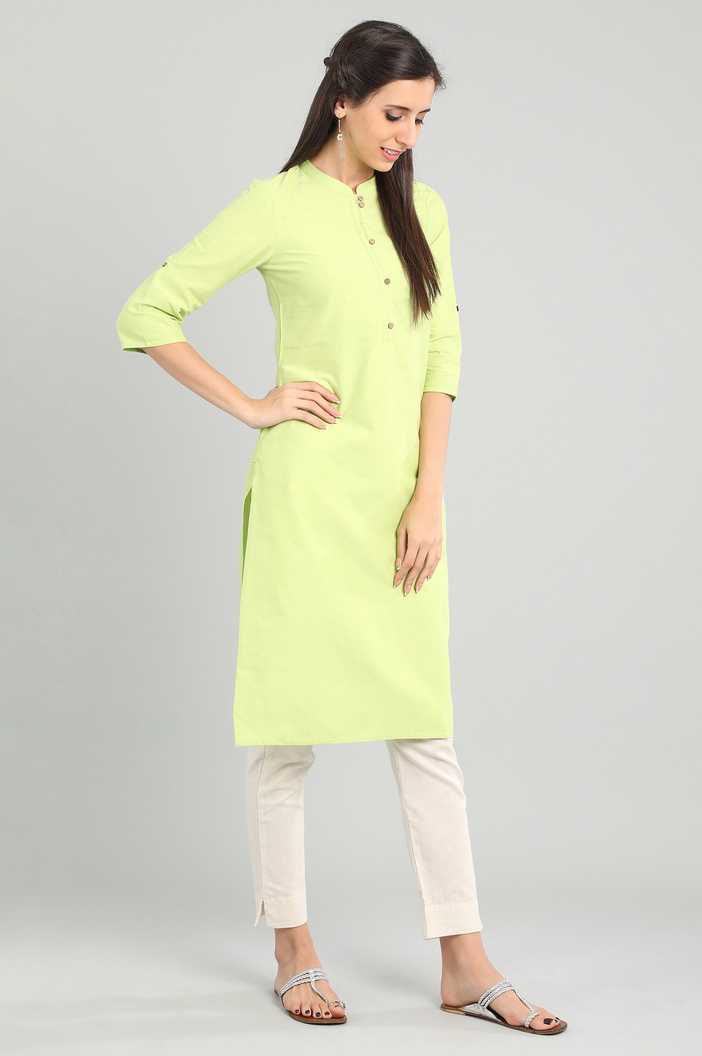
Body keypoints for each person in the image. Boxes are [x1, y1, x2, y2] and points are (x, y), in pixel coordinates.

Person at [116, 19, 567, 1036]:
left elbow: (443, 353)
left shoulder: (424, 212)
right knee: (285, 740)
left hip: (397, 501)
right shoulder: (276, 206)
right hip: (306, 502)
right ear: (343, 100)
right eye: (394, 113)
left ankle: (464, 961)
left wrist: (428, 495)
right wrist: (252, 405)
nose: (408, 135)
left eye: (423, 119)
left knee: (426, 729)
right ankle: (294, 949)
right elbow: (147, 313)